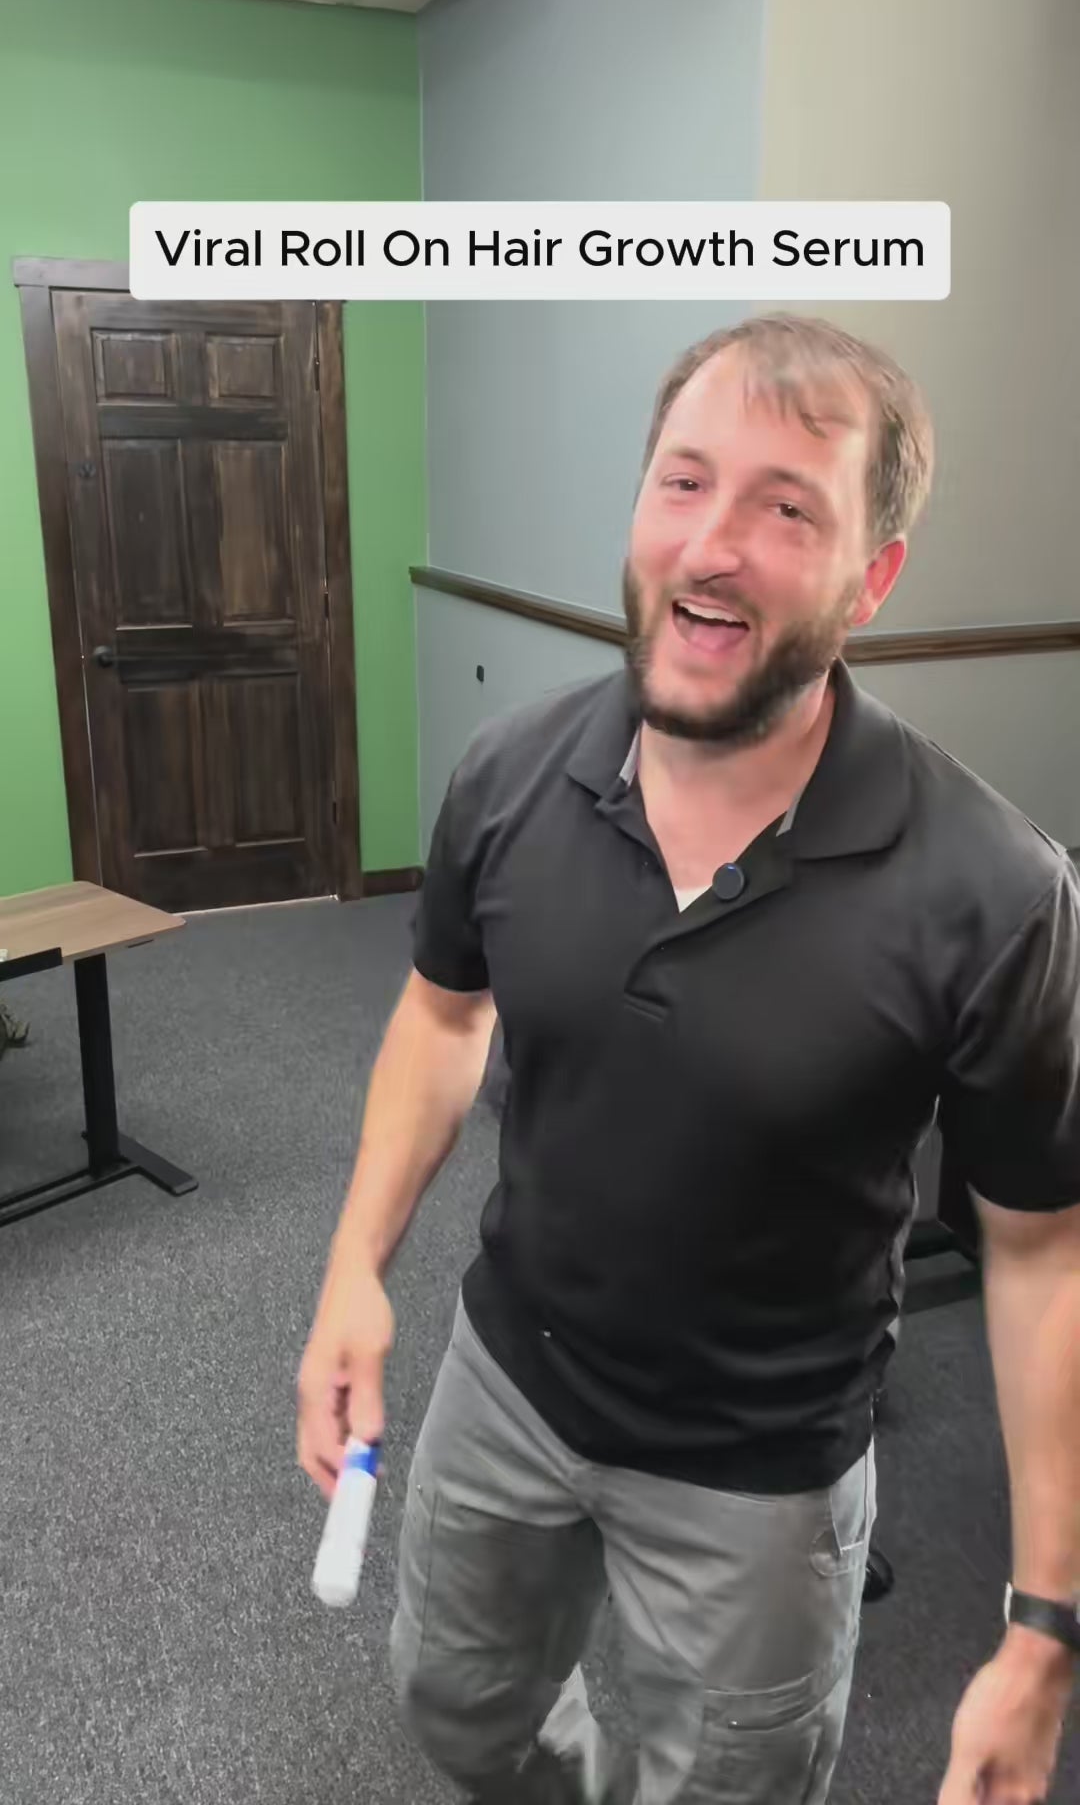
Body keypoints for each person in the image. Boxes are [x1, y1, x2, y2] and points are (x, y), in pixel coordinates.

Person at [298, 314, 1080, 1805]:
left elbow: (1044, 1257)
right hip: (506, 1379)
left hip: (759, 1475)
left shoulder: (993, 891)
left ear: (871, 578)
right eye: (684, 481)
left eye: (786, 507)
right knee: (458, 1711)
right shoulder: (510, 776)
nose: (711, 546)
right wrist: (354, 1271)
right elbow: (445, 1018)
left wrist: (1045, 1625)